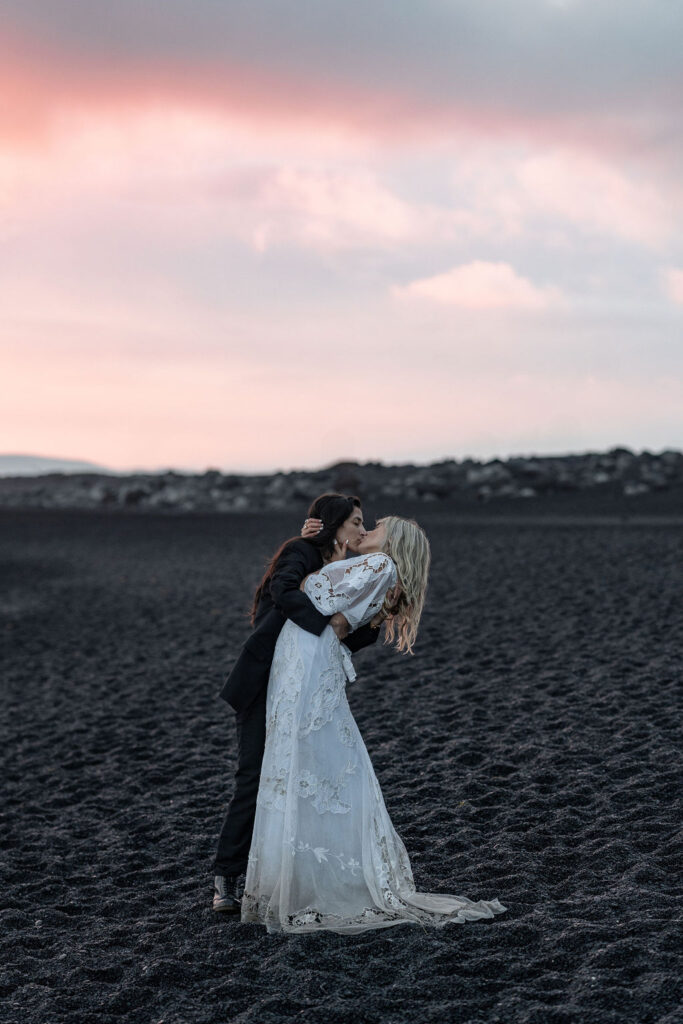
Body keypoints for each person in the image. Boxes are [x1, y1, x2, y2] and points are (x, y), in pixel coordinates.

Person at [241, 515, 508, 934]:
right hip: (307, 657)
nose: (367, 530)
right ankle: (304, 876)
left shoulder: (381, 566)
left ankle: (310, 881)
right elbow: (335, 613)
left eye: (378, 525)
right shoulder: (378, 573)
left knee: (304, 760)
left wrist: (315, 555)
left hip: (309, 661)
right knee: (310, 761)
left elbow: (315, 595)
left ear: (395, 540)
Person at [212, 493, 388, 912]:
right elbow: (283, 589)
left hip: (303, 689)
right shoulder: (301, 551)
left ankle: (286, 875)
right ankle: (225, 878)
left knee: (298, 776)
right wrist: (324, 624)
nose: (362, 531)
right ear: (333, 524)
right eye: (356, 522)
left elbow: (346, 637)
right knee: (254, 776)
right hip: (263, 682)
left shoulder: (345, 571)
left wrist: (375, 618)